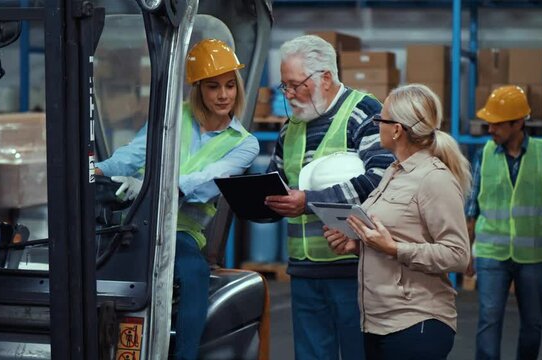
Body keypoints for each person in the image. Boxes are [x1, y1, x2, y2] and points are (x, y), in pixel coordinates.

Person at [95, 39, 260, 360]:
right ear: (199, 89)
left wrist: (150, 187)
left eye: (230, 85)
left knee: (194, 274)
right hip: (134, 221)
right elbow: (133, 154)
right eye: (213, 87)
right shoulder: (173, 116)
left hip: (180, 231)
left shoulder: (244, 143)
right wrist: (97, 170)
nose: (224, 95)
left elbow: (213, 177)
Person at [264, 34, 395, 360]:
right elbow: (276, 182)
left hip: (353, 268)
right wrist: (257, 200)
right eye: (285, 87)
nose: (290, 95)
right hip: (304, 271)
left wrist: (306, 201)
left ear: (325, 77)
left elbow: (380, 179)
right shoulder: (291, 126)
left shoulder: (364, 111)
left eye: (296, 85)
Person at [324, 84, 471, 360]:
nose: (376, 124)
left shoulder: (434, 179)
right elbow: (397, 234)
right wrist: (358, 245)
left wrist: (395, 249)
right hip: (378, 322)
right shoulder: (393, 172)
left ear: (397, 130)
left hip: (417, 323)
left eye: (380, 119)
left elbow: (458, 255)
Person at [465, 85, 542, 360]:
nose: (490, 130)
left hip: (532, 255)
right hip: (491, 254)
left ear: (518, 123)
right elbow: (472, 207)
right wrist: (467, 251)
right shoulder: (484, 155)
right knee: (489, 320)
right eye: (489, 124)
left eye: (498, 125)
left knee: (533, 323)